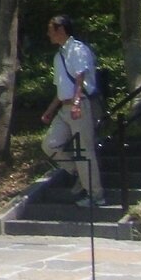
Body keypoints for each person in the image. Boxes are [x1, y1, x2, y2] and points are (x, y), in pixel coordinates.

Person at [41, 14, 101, 204]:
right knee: (50, 144)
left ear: (60, 30)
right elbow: (61, 87)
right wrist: (51, 110)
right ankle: (78, 173)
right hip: (64, 107)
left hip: (79, 104)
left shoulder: (78, 49)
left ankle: (96, 194)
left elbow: (80, 77)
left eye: (51, 30)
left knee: (84, 150)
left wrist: (76, 103)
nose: (48, 34)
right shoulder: (58, 56)